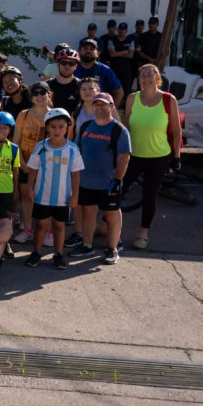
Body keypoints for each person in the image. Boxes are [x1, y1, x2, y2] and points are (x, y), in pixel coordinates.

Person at [123, 63, 182, 250]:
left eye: (150, 75)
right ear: (139, 80)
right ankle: (106, 224)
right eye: (143, 76)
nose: (146, 79)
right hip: (133, 155)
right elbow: (126, 127)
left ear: (158, 78)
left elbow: (175, 130)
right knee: (118, 190)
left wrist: (177, 156)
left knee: (149, 195)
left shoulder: (168, 99)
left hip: (158, 156)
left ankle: (143, 233)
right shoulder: (132, 98)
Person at [69, 93, 129, 264]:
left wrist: (117, 180)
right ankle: (87, 246)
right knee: (88, 213)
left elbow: (125, 157)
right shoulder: (87, 125)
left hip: (108, 183)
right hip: (86, 181)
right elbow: (77, 149)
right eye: (97, 105)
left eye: (104, 105)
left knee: (111, 215)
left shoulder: (119, 130)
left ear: (111, 106)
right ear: (93, 107)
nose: (100, 108)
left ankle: (113, 248)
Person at [24, 108, 83, 270]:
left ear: (67, 128)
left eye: (61, 127)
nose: (57, 130)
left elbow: (76, 175)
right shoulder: (41, 147)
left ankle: (58, 254)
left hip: (63, 198)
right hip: (43, 195)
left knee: (59, 225)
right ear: (47, 128)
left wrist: (75, 196)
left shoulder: (72, 149)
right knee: (41, 224)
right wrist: (29, 188)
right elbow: (33, 169)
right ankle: (36, 252)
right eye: (53, 126)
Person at [12, 81, 54, 245]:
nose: (39, 96)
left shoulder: (55, 114)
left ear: (49, 95)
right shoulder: (23, 115)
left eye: (42, 92)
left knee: (46, 199)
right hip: (25, 163)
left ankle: (48, 232)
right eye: (35, 93)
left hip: (48, 165)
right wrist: (22, 163)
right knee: (27, 196)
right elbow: (16, 142)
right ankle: (28, 229)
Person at [75, 38, 124, 111]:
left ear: (97, 53)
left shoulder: (105, 70)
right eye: (85, 48)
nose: (88, 51)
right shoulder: (72, 67)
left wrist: (111, 111)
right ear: (79, 51)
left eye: (92, 49)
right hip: (76, 112)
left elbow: (119, 92)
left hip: (99, 112)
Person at [108, 21, 137, 95]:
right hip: (114, 67)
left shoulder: (130, 41)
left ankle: (126, 105)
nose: (122, 31)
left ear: (126, 30)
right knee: (113, 87)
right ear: (117, 30)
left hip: (126, 68)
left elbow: (130, 55)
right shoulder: (112, 40)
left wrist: (117, 53)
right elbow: (112, 54)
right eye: (120, 29)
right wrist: (124, 51)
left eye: (123, 29)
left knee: (126, 88)